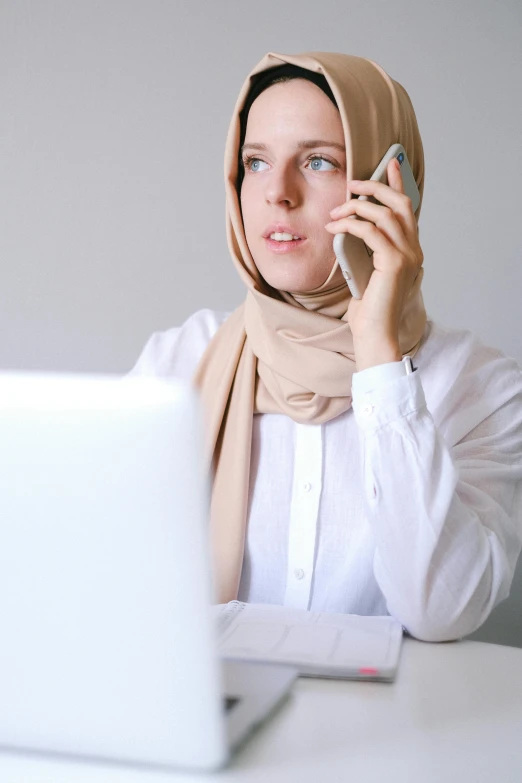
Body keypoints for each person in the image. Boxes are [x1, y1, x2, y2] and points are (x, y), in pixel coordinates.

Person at [130, 51, 522, 642]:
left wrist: (381, 361)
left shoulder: (482, 388)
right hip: (207, 726)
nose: (278, 194)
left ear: (391, 184)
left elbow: (442, 612)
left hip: (398, 734)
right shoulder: (176, 364)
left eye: (318, 161)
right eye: (256, 162)